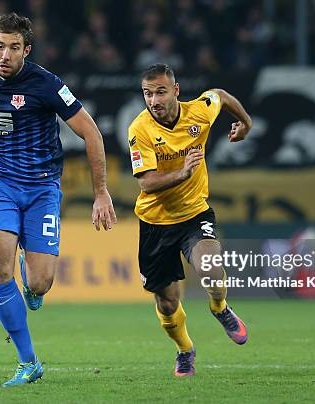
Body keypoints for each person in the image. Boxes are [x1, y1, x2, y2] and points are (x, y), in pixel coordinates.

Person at [0, 13, 117, 387]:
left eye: (14, 48)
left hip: (42, 189)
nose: (5, 55)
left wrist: (101, 192)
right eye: (0, 46)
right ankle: (29, 362)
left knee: (39, 284)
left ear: (27, 50)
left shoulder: (47, 84)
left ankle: (32, 282)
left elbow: (92, 134)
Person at [127, 64, 252, 377]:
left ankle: (220, 308)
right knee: (168, 304)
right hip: (155, 224)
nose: (153, 100)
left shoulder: (198, 111)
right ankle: (185, 350)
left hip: (195, 214)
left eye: (160, 91)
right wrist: (182, 172)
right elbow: (146, 183)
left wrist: (245, 123)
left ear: (176, 91)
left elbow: (221, 96)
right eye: (147, 93)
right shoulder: (139, 129)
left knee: (211, 269)